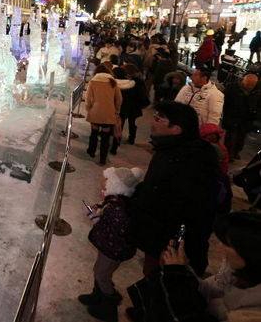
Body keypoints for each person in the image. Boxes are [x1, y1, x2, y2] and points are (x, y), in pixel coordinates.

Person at [128, 101, 220, 277]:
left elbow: (192, 210)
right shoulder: (168, 148)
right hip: (156, 232)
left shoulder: (194, 162)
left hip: (170, 242)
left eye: (158, 119)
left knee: (161, 279)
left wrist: (174, 245)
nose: (152, 122)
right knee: (150, 271)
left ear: (176, 129)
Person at [126, 211, 261, 322]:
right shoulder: (234, 270)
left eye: (227, 244)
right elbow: (206, 290)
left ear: (250, 253)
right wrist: (182, 269)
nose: (220, 247)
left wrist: (175, 274)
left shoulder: (253, 310)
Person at [78, 167, 145, 322]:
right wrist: (99, 209)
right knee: (98, 270)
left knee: (102, 275)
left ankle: (108, 308)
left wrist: (95, 218)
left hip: (114, 250)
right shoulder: (116, 202)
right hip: (109, 247)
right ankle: (97, 296)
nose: (103, 184)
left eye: (107, 182)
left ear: (117, 187)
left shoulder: (119, 210)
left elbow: (111, 229)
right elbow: (106, 211)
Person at [85, 64, 123, 165]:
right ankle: (102, 158)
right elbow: (119, 99)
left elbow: (88, 99)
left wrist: (88, 109)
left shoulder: (93, 82)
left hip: (95, 111)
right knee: (105, 137)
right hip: (109, 113)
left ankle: (91, 151)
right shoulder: (113, 82)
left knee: (94, 133)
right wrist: (117, 110)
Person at [221, 74, 260, 161]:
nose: (250, 87)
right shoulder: (232, 88)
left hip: (246, 120)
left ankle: (236, 152)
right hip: (232, 118)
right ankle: (228, 155)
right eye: (248, 84)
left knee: (241, 139)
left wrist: (255, 116)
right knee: (230, 139)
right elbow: (225, 103)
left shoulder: (257, 91)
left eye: (252, 85)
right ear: (243, 80)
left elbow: (258, 105)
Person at [111, 65, 148, 154]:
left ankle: (115, 146)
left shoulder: (121, 83)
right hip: (133, 107)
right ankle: (131, 139)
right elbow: (142, 96)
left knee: (119, 126)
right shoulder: (135, 82)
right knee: (131, 123)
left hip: (124, 107)